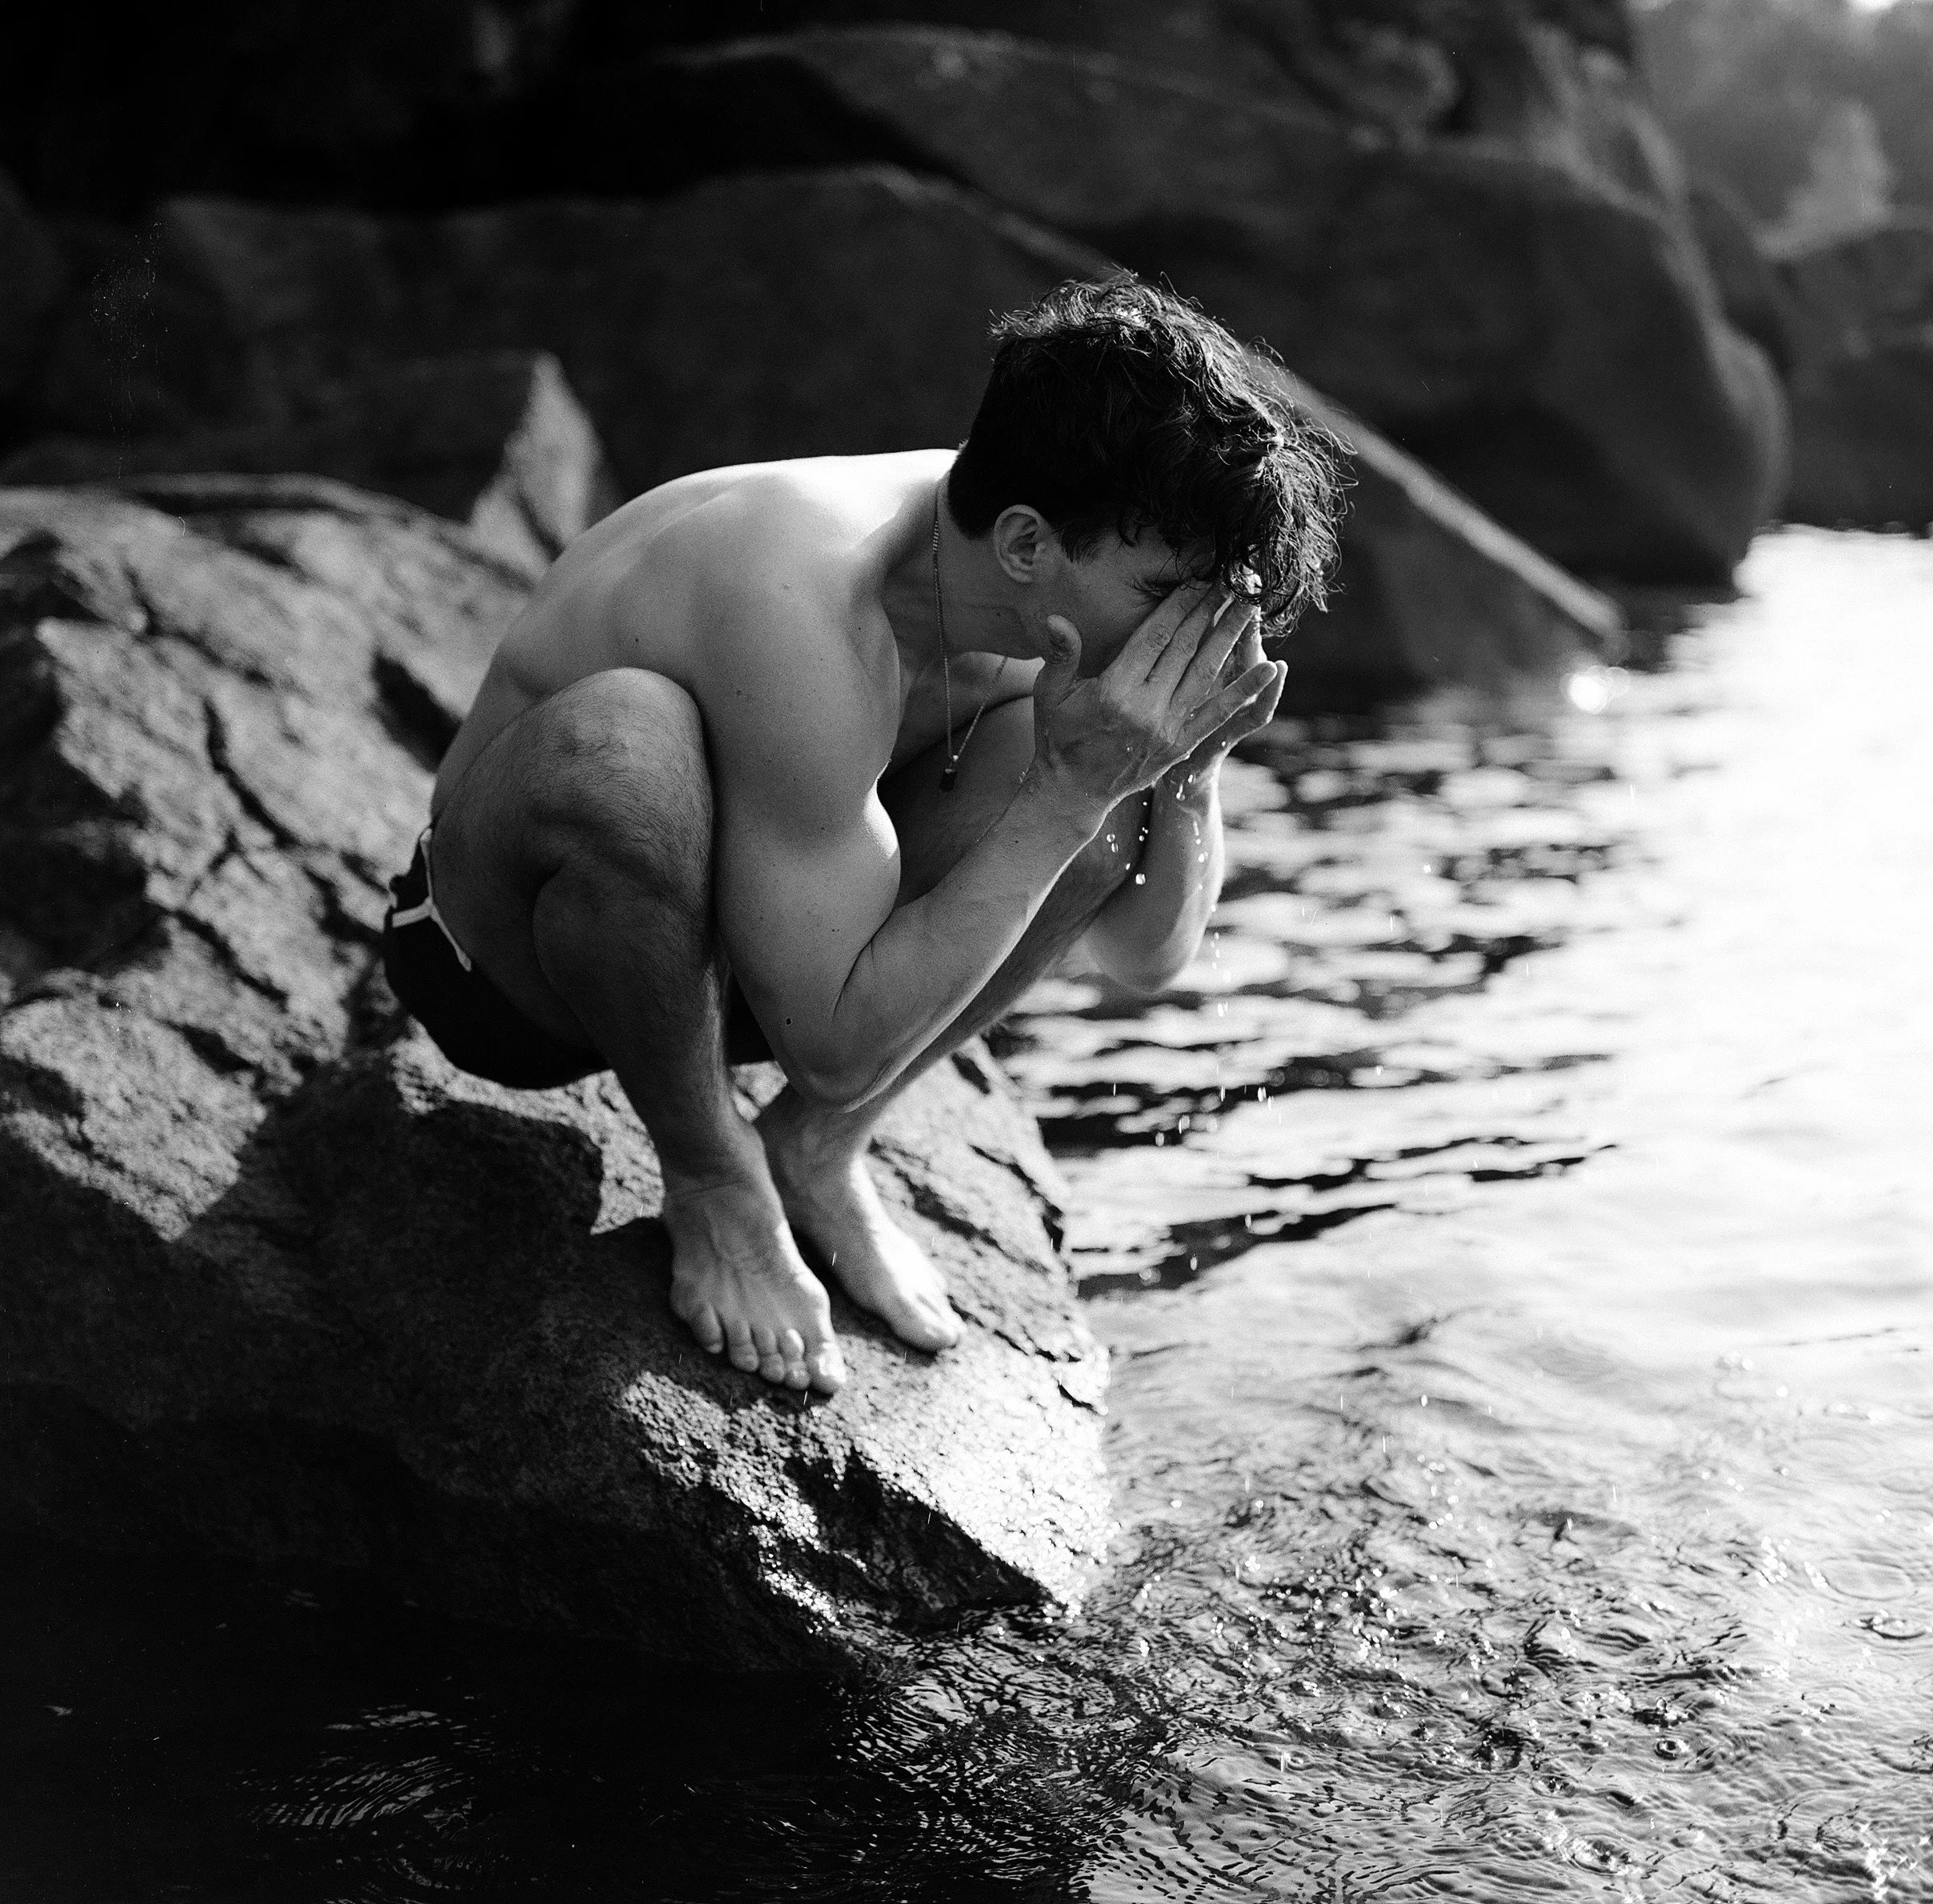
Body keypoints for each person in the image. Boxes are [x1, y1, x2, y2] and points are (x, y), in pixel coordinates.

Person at [380, 276, 1342, 1397]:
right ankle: (715, 1177)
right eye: (1175, 595)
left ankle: (817, 1149)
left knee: (1085, 767)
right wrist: (1070, 790)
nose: (1199, 635)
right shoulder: (804, 592)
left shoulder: (1041, 582)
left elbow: (1145, 954)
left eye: (1225, 606)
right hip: (514, 964)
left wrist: (1181, 767)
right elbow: (829, 1038)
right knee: (629, 747)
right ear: (1029, 543)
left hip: (755, 949)